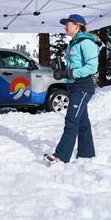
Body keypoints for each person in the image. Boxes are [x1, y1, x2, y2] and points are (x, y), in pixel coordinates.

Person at [44, 14, 102, 165]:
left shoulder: (86, 42)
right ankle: (86, 154)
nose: (65, 26)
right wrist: (61, 69)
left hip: (82, 86)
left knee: (71, 120)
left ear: (77, 26)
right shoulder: (73, 43)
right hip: (74, 85)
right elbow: (75, 65)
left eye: (67, 24)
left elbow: (92, 67)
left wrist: (69, 73)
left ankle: (61, 156)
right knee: (82, 121)